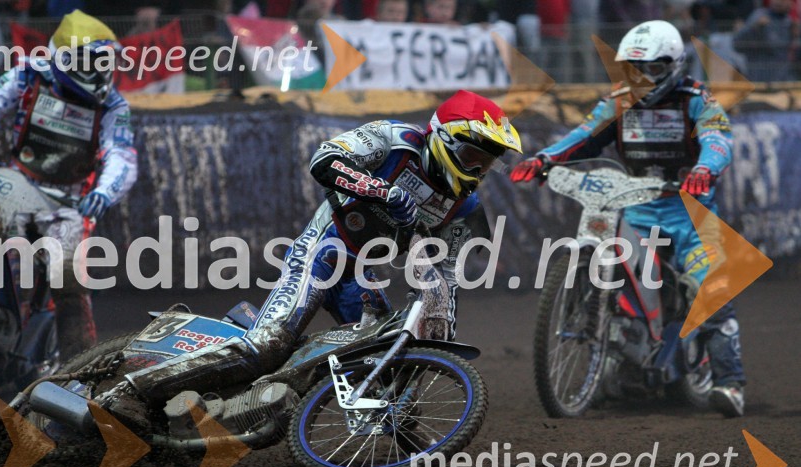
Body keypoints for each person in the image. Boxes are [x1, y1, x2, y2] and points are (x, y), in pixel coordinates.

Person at [101, 90, 522, 429]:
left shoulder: (465, 208)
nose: (478, 171)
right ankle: (131, 392)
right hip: (322, 251)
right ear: (444, 138)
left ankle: (270, 404)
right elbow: (324, 159)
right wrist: (380, 190)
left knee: (386, 355)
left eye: (487, 164)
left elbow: (447, 273)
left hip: (362, 274)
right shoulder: (394, 138)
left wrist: (441, 321)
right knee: (265, 347)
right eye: (473, 158)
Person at [510, 20, 746, 417]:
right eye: (632, 69)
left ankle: (730, 384)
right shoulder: (618, 101)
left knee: (712, 292)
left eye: (649, 69)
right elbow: (583, 136)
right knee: (616, 280)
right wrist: (544, 159)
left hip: (690, 211)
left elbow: (718, 140)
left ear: (673, 65)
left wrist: (707, 167)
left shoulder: (697, 100)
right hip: (634, 206)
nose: (639, 78)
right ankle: (612, 369)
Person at [0, 10, 137, 360]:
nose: (101, 71)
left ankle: (79, 370)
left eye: (106, 61)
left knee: (69, 286)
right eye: (93, 61)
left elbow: (121, 155)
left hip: (69, 203)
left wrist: (103, 192)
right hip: (15, 182)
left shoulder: (112, 106)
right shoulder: (31, 74)